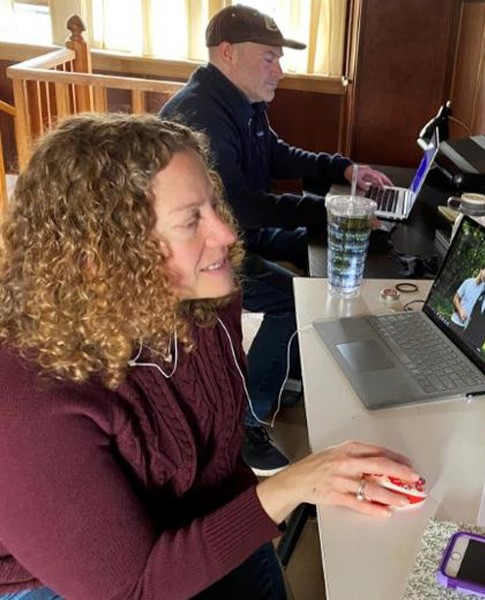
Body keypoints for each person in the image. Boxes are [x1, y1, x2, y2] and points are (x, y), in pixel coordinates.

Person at [0, 114, 418, 600]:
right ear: (101, 256)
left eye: (212, 205)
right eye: (190, 221)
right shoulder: (27, 399)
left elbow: (214, 456)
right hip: (66, 583)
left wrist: (282, 496)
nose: (226, 234)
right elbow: (132, 590)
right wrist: (291, 487)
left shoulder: (205, 302)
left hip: (191, 515)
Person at [159, 5, 392, 475]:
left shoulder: (242, 102)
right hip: (198, 251)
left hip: (238, 233)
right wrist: (327, 211)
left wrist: (343, 169)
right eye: (269, 58)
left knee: (315, 245)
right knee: (290, 299)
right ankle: (246, 424)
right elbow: (238, 205)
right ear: (228, 54)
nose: (279, 72)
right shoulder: (200, 113)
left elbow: (277, 154)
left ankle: (289, 365)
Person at [450, 264, 485, 332]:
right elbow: (455, 298)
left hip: (464, 328)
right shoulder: (468, 282)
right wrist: (460, 311)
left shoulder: (484, 289)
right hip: (454, 321)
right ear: (481, 270)